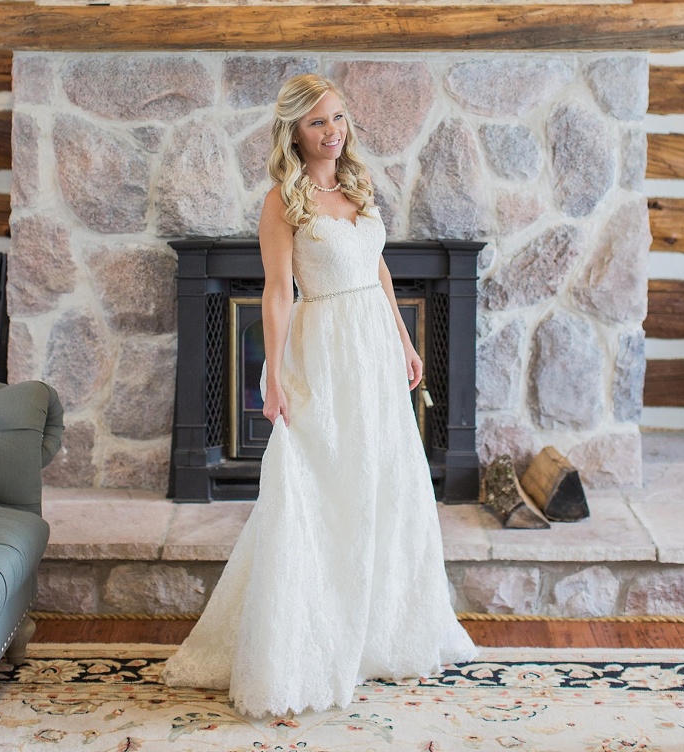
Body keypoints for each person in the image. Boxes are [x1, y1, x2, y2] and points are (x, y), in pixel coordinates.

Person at [162, 73, 477, 715]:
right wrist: (272, 373)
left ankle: (383, 635)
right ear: (294, 133)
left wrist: (405, 341)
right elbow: (278, 292)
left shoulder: (358, 187)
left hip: (374, 350)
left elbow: (379, 269)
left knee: (385, 485)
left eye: (338, 118)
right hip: (325, 349)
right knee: (322, 488)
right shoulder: (283, 201)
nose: (333, 132)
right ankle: (306, 642)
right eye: (318, 123)